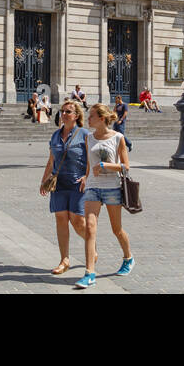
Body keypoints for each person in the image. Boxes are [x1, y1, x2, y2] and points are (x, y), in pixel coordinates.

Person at [75, 103, 134, 288]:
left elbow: (125, 166)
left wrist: (105, 166)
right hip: (93, 187)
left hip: (112, 188)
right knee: (90, 228)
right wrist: (85, 176)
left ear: (101, 119)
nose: (88, 119)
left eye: (91, 116)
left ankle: (128, 258)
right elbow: (88, 163)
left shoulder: (118, 138)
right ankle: (89, 273)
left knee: (116, 229)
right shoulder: (89, 138)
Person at [42, 100, 88, 276]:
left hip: (78, 184)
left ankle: (91, 245)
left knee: (77, 221)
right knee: (61, 219)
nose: (64, 114)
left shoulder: (84, 134)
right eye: (62, 111)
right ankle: (64, 260)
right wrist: (44, 180)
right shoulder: (55, 135)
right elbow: (52, 160)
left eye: (68, 112)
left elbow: (92, 158)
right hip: (59, 184)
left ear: (76, 116)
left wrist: (87, 176)